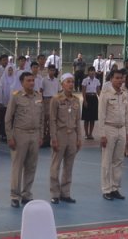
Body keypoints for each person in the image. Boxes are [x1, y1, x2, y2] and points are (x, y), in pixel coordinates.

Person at [5, 72, 44, 208]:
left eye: (33, 80)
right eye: (28, 81)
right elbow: (8, 118)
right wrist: (10, 137)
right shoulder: (16, 97)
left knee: (31, 166)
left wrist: (41, 136)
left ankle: (27, 194)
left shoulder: (38, 96)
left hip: (35, 134)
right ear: (22, 83)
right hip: (20, 134)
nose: (32, 83)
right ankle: (15, 196)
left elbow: (41, 118)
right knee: (17, 166)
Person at [49, 73, 82, 204]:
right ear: (62, 84)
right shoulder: (56, 99)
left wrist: (79, 138)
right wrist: (53, 138)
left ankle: (65, 193)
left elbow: (78, 120)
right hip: (60, 134)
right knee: (55, 165)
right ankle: (55, 193)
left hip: (72, 135)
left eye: (72, 82)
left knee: (69, 166)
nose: (70, 84)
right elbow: (52, 120)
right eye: (68, 82)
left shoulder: (76, 100)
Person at [98, 69, 128, 201]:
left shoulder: (124, 94)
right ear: (111, 79)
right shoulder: (105, 93)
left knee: (118, 161)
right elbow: (101, 115)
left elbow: (127, 114)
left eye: (121, 78)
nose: (119, 80)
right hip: (109, 128)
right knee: (107, 161)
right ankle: (106, 189)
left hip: (121, 129)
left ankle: (115, 188)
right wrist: (102, 134)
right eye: (117, 78)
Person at [41, 64, 60, 148]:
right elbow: (41, 90)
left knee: (53, 119)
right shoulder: (44, 80)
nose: (52, 72)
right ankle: (44, 137)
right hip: (46, 100)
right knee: (45, 119)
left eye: (53, 70)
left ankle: (50, 138)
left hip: (55, 99)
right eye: (50, 70)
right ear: (48, 71)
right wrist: (41, 101)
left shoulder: (57, 80)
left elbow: (59, 91)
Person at [81, 66, 100, 140]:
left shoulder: (97, 81)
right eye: (90, 71)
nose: (92, 72)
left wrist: (101, 99)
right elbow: (83, 91)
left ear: (95, 72)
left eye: (93, 71)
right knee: (86, 118)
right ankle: (86, 134)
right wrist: (85, 100)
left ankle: (91, 134)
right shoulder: (85, 80)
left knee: (93, 118)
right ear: (88, 72)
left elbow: (98, 92)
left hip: (94, 98)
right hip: (87, 98)